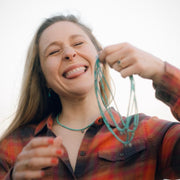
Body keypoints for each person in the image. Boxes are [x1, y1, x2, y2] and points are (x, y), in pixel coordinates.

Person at [0, 14, 180, 180]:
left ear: (100, 57)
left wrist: (161, 71)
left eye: (78, 43)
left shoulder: (147, 132)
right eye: (54, 51)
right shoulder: (13, 146)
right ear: (43, 78)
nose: (69, 53)